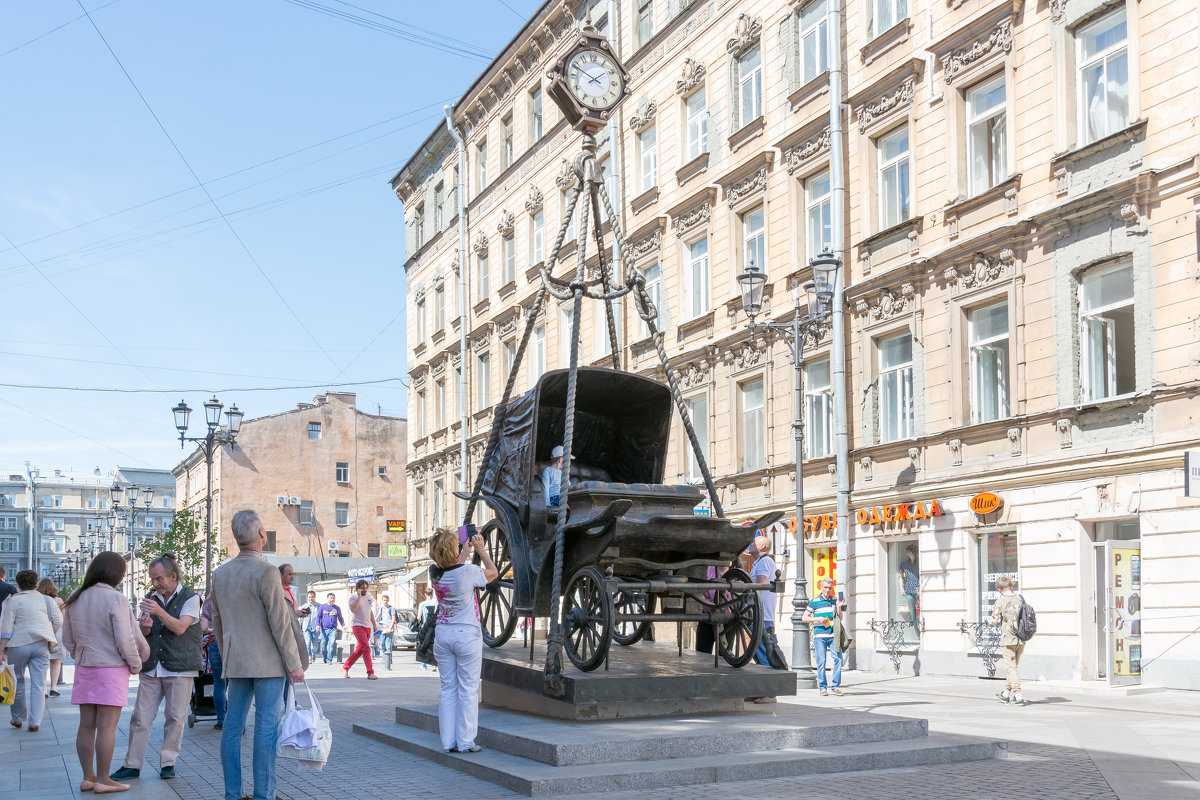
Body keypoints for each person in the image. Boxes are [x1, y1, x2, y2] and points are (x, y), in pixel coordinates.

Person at [211, 510, 307, 800]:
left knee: (232, 726)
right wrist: (295, 664)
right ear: (261, 535)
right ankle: (264, 794)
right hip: (268, 664)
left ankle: (233, 794)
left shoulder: (220, 573)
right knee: (266, 726)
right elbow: (280, 622)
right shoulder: (266, 571)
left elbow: (217, 622)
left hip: (237, 662)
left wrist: (228, 655)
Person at [61, 551, 149, 794]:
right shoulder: (116, 599)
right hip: (111, 668)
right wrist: (135, 664)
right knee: (107, 727)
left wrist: (81, 654)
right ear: (117, 575)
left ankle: (88, 777)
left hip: (85, 667)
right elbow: (125, 638)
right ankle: (103, 779)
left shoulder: (75, 597)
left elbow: (67, 639)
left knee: (86, 725)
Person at [111, 554, 200, 782]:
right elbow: (145, 634)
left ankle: (168, 763)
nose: (155, 584)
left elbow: (180, 628)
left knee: (175, 717)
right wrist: (145, 627)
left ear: (173, 576)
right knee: (140, 717)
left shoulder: (191, 598)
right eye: (152, 579)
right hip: (152, 666)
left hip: (180, 667)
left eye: (159, 578)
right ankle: (132, 764)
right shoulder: (152, 597)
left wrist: (159, 612)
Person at [429, 528, 497, 753]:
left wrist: (465, 552)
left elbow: (453, 568)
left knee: (447, 688)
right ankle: (466, 741)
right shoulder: (469, 571)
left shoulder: (434, 573)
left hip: (443, 633)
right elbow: (493, 572)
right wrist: (480, 550)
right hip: (466, 634)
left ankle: (448, 742)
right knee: (468, 688)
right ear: (453, 549)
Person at [0, 569, 62, 733]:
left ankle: (18, 718)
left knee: (18, 681)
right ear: (35, 582)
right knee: (39, 684)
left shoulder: (13, 601)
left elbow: (6, 626)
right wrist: (48, 631)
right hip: (41, 645)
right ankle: (35, 722)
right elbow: (58, 621)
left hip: (18, 645)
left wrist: (1, 649)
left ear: (18, 584)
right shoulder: (47, 600)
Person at [749, 536, 787, 703]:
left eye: (753, 542)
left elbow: (760, 583)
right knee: (757, 651)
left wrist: (741, 582)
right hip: (758, 612)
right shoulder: (760, 562)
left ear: (762, 546)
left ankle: (770, 693)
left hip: (762, 614)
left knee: (762, 650)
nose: (750, 545)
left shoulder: (765, 562)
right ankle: (762, 689)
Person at [803, 578, 845, 697]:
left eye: (830, 588)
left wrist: (839, 607)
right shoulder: (814, 602)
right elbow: (804, 618)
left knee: (838, 659)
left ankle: (835, 686)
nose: (827, 590)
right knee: (821, 662)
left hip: (833, 636)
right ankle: (822, 688)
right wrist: (817, 619)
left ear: (832, 588)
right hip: (820, 637)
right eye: (825, 587)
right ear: (821, 587)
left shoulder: (835, 601)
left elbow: (840, 619)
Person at [990, 575, 1026, 706]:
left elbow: (994, 621)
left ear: (999, 589)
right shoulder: (1020, 599)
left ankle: (1018, 696)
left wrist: (990, 622)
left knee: (1011, 669)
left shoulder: (999, 602)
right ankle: (1006, 693)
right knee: (1013, 668)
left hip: (1008, 640)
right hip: (1021, 639)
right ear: (1011, 586)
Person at [199, 596, 226, 729]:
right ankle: (237, 723)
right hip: (235, 645)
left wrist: (212, 631)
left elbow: (203, 628)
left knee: (219, 683)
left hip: (216, 643)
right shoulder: (235, 594)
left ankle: (221, 720)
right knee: (237, 685)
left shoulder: (210, 600)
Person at [36, 577, 65, 697]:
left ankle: (43, 690)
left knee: (42, 663)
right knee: (56, 661)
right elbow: (62, 619)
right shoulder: (58, 600)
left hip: (41, 632)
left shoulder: (36, 600)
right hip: (56, 633)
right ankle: (53, 688)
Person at [342, 579, 377, 679]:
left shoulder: (369, 596)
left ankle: (345, 667)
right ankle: (370, 672)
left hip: (367, 626)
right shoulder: (353, 596)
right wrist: (358, 597)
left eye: (366, 588)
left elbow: (370, 611)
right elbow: (353, 609)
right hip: (357, 625)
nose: (364, 590)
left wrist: (374, 624)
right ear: (358, 589)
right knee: (366, 648)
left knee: (359, 650)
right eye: (362, 588)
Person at [317, 593, 345, 664]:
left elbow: (340, 618)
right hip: (324, 629)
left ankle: (329, 659)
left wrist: (343, 625)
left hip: (333, 629)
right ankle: (325, 658)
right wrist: (317, 625)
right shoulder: (322, 607)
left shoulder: (337, 608)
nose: (332, 599)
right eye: (331, 598)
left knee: (332, 644)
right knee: (323, 646)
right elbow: (318, 617)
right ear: (327, 598)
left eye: (333, 598)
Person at [898, 544, 920, 629]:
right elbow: (901, 577)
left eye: (908, 550)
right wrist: (901, 589)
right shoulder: (904, 564)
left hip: (918, 591)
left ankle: (922, 633)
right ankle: (918, 635)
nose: (906, 552)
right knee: (912, 614)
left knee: (920, 614)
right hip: (908, 591)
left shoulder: (920, 562)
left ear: (912, 551)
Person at [417, 588, 439, 672]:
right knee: (433, 645)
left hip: (425, 627)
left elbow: (419, 617)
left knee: (424, 645)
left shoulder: (422, 604)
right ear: (432, 595)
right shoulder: (436, 604)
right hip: (434, 627)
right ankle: (433, 665)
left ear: (425, 594)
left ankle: (423, 664)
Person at [375, 594, 398, 664]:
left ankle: (389, 659)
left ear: (388, 600)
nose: (385, 601)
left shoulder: (391, 608)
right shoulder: (381, 608)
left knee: (388, 643)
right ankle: (385, 656)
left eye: (386, 600)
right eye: (384, 600)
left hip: (390, 628)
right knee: (382, 643)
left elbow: (393, 618)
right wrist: (373, 622)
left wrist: (390, 628)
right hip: (384, 628)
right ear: (382, 600)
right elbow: (378, 616)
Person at [301, 590, 322, 661]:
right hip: (307, 628)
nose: (311, 599)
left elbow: (322, 617)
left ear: (315, 597)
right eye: (309, 597)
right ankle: (309, 657)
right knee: (307, 643)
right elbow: (300, 617)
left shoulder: (319, 606)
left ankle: (313, 654)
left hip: (316, 628)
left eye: (312, 597)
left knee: (316, 646)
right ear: (307, 597)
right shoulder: (304, 606)